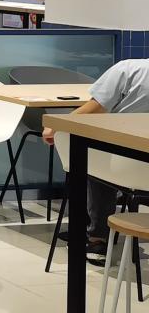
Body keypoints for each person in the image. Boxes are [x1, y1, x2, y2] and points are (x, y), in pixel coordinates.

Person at [42, 58, 149, 264]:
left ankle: (96, 238)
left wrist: (56, 127)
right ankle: (90, 226)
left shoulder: (130, 69)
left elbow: (95, 109)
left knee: (92, 156)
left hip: (120, 163)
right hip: (144, 163)